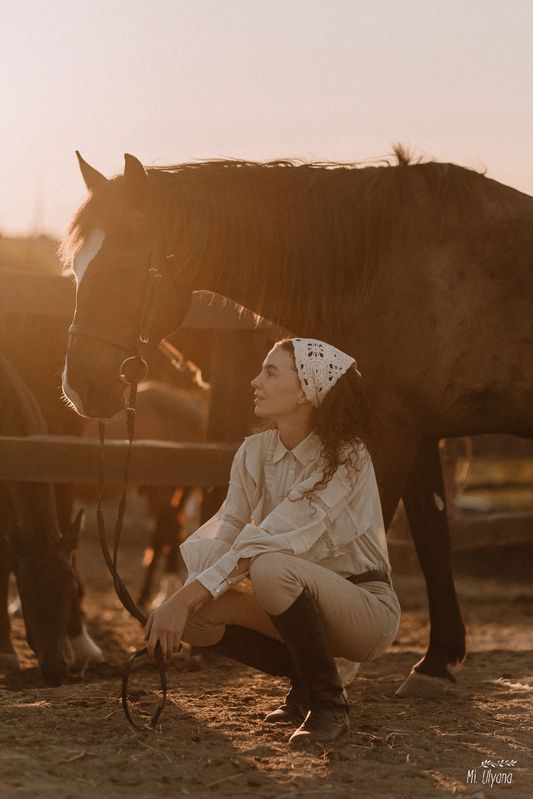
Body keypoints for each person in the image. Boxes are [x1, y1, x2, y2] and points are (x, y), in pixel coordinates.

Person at [144, 337, 401, 746]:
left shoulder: (348, 458)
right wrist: (180, 602)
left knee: (267, 567)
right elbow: (226, 533)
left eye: (270, 372)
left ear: (305, 391)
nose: (254, 381)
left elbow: (274, 537)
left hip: (364, 610)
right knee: (193, 614)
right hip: (296, 602)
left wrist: (184, 596)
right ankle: (304, 686)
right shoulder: (254, 452)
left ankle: (330, 706)